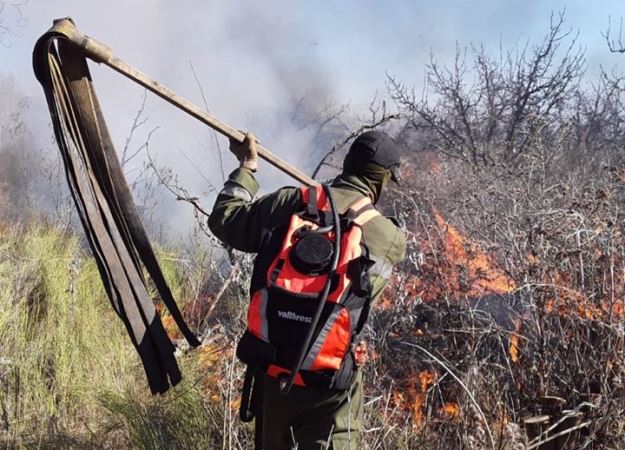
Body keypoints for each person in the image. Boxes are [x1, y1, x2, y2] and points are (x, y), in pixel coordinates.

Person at [208, 130, 406, 450]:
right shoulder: (387, 235)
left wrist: (247, 166)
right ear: (383, 179)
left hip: (274, 374)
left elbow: (225, 219)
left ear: (347, 164)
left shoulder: (291, 202)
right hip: (330, 386)